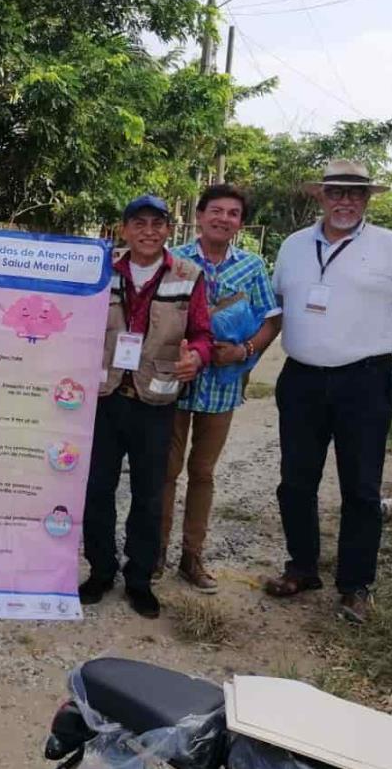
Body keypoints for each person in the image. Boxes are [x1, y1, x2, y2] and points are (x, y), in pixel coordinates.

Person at [263, 160, 392, 624]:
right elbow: (280, 307)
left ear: (368, 200)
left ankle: (355, 587)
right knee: (295, 483)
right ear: (320, 196)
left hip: (364, 382)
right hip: (302, 379)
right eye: (336, 192)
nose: (345, 201)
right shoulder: (293, 246)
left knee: (361, 489)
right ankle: (302, 568)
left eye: (355, 194)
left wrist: (378, 331)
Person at [80, 194, 212, 618]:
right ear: (124, 229)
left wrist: (199, 357)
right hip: (105, 399)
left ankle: (139, 579)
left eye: (158, 224)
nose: (149, 231)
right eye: (139, 223)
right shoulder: (101, 270)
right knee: (97, 490)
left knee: (148, 495)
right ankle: (100, 571)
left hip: (156, 402)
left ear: (169, 231)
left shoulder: (188, 275)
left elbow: (203, 334)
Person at [160, 184, 281, 592]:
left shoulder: (252, 267)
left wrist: (245, 350)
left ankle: (191, 558)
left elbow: (271, 319)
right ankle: (154, 555)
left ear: (240, 223)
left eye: (233, 213)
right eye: (216, 210)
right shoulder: (172, 259)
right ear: (199, 215)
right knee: (165, 471)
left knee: (203, 473)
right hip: (174, 382)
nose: (223, 218)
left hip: (223, 386)